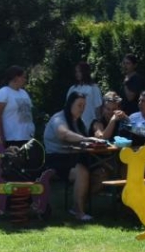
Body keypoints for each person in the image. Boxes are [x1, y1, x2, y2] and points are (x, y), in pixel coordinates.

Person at [43, 91, 106, 221]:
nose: (82, 109)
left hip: (76, 158)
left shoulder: (78, 121)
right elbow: (63, 134)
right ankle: (79, 212)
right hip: (56, 159)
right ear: (70, 104)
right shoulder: (58, 119)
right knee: (81, 172)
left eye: (84, 106)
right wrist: (87, 139)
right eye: (79, 105)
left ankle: (76, 204)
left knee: (102, 174)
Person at [0, 65, 34, 148]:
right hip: (10, 138)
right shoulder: (3, 93)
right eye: (23, 77)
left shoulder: (24, 93)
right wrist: (0, 137)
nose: (25, 80)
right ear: (15, 78)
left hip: (26, 137)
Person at [67, 61, 104, 129]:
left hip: (90, 124)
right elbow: (67, 107)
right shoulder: (72, 88)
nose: (77, 74)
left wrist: (98, 124)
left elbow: (98, 108)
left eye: (79, 71)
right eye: (76, 72)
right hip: (74, 125)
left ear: (85, 72)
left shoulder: (94, 88)